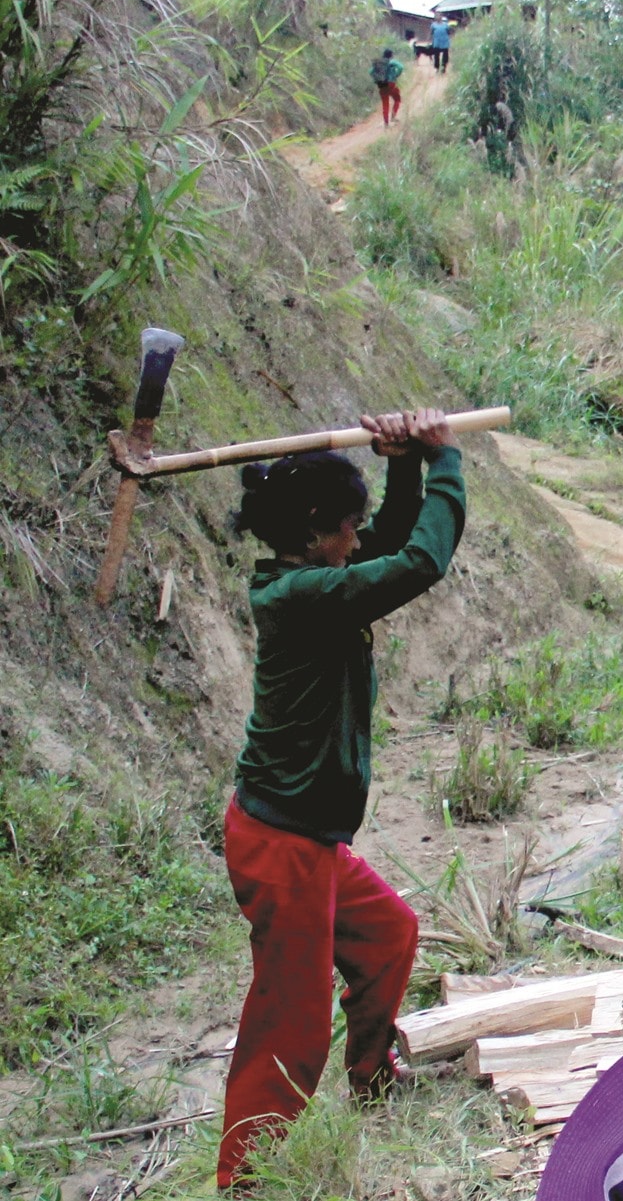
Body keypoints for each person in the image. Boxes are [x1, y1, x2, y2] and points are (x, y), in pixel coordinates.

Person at [218, 410, 466, 1193]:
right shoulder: (300, 598)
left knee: (389, 933)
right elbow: (421, 558)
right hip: (280, 843)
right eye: (349, 530)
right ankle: (243, 1179)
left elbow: (387, 546)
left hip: (306, 837)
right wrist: (445, 460)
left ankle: (374, 1081)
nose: (358, 542)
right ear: (318, 532)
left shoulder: (314, 579)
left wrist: (401, 466)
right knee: (287, 1028)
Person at [371, 47, 403, 126]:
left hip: (382, 85)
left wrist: (377, 78)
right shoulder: (391, 62)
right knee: (397, 99)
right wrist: (396, 75)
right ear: (391, 55)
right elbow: (401, 67)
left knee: (385, 103)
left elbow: (371, 72)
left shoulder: (379, 63)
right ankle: (393, 116)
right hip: (391, 83)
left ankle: (386, 123)